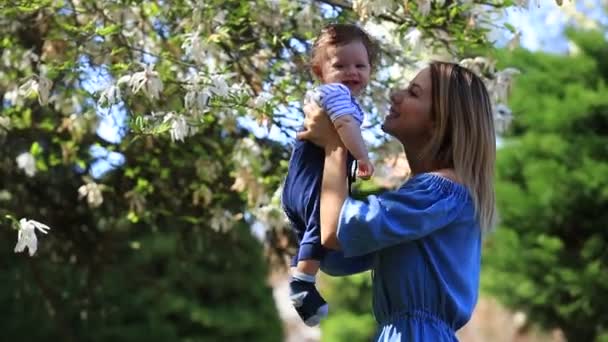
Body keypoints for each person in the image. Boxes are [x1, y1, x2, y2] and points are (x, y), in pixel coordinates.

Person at [297, 61, 497, 341]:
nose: (395, 94)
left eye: (413, 93)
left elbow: (337, 230)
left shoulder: (439, 192)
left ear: (439, 122)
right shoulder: (422, 198)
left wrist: (336, 144)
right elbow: (334, 256)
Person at [281, 23, 378, 326]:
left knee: (313, 229)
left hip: (300, 183)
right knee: (323, 222)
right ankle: (303, 283)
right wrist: (361, 156)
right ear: (319, 70)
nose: (352, 71)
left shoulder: (333, 95)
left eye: (360, 65)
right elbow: (345, 127)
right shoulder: (335, 94)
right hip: (312, 179)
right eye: (340, 65)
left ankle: (302, 275)